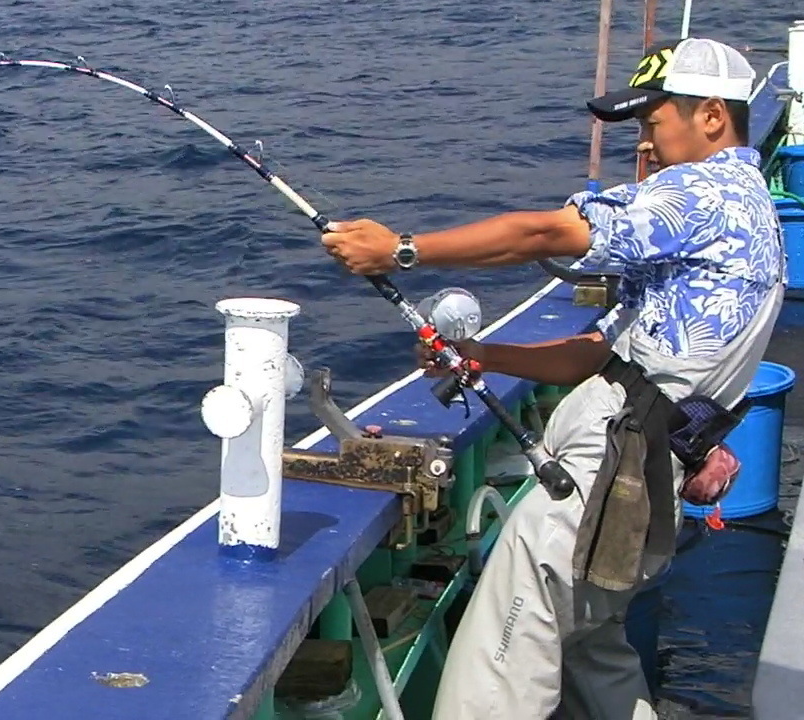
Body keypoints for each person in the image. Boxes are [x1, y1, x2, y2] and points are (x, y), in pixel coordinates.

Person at [320, 37, 785, 719]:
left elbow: (544, 235)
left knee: (497, 672)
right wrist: (484, 357)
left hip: (605, 475)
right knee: (593, 650)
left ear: (712, 116)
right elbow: (602, 355)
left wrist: (401, 250)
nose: (644, 145)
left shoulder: (703, 193)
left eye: (653, 123)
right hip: (644, 474)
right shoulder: (747, 210)